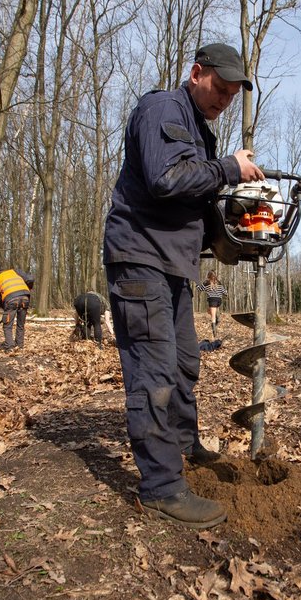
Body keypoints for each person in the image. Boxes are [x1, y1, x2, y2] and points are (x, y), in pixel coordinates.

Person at [102, 43, 264, 529]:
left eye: (232, 95)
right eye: (219, 89)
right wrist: (229, 168)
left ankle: (185, 445)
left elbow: (196, 198)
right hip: (140, 258)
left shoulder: (200, 130)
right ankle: (160, 487)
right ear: (196, 74)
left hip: (173, 266)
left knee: (184, 362)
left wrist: (237, 229)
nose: (223, 100)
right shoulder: (163, 108)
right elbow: (166, 179)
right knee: (153, 371)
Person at [0, 266, 34, 351]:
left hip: (11, 300)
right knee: (20, 325)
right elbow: (30, 279)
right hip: (25, 298)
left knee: (7, 325)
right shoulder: (15, 271)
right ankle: (19, 345)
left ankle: (10, 347)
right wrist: (27, 289)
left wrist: (4, 308)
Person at [198, 270, 227, 338]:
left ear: (208, 276)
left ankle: (214, 334)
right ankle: (216, 320)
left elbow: (199, 289)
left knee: (213, 317)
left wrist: (197, 283)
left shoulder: (206, 282)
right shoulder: (219, 283)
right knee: (210, 311)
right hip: (218, 301)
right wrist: (225, 291)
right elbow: (225, 293)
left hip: (212, 300)